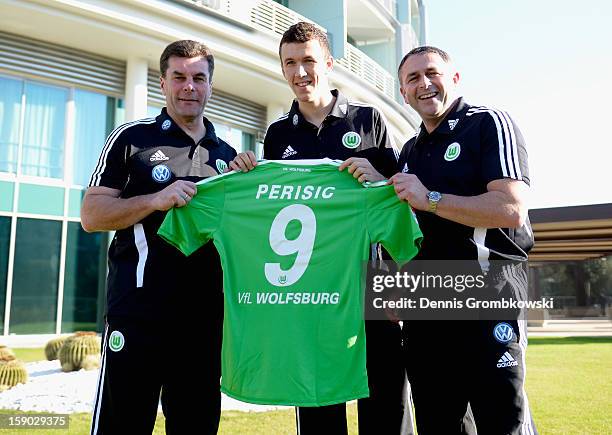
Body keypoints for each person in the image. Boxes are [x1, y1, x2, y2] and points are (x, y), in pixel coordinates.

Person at [229, 22, 405, 435]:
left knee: (385, 409)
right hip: (310, 299)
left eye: (308, 60)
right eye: (290, 63)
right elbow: (272, 209)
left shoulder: (366, 120)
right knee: (319, 412)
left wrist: (378, 176)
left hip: (371, 294)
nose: (300, 72)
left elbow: (396, 202)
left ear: (328, 62)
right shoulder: (277, 135)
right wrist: (246, 173)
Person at [82, 40, 237, 434]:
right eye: (179, 77)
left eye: (199, 78)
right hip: (139, 315)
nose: (190, 87)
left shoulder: (228, 156)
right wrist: (155, 199)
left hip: (203, 324)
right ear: (163, 82)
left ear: (210, 85)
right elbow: (92, 215)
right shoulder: (131, 138)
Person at [391, 46, 537, 434]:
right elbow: (406, 235)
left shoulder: (488, 124)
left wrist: (431, 199)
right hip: (427, 310)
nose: (424, 83)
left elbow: (511, 208)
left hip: (487, 295)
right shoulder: (409, 152)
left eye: (432, 73)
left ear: (454, 79)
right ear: (403, 93)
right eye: (412, 78)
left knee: (502, 423)